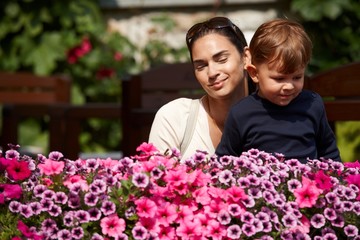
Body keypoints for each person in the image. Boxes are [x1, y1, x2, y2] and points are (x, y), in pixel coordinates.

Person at [216, 18, 341, 163]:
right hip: (259, 185)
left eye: (297, 77)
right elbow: (224, 160)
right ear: (254, 73)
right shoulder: (241, 113)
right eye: (279, 79)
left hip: (307, 184)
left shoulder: (312, 104)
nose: (289, 86)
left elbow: (329, 151)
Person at [148, 16, 255, 161]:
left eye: (221, 59)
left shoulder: (275, 115)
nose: (212, 72)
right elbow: (157, 180)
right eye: (201, 66)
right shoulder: (176, 118)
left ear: (246, 57)